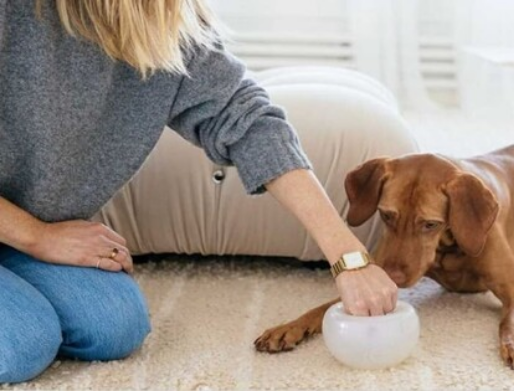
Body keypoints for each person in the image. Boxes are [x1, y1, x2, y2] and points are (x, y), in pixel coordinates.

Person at [0, 0, 398, 383]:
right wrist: (39, 237)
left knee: (113, 325)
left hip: (23, 232)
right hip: (30, 232)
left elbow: (249, 121)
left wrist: (349, 259)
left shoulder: (160, 19)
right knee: (26, 341)